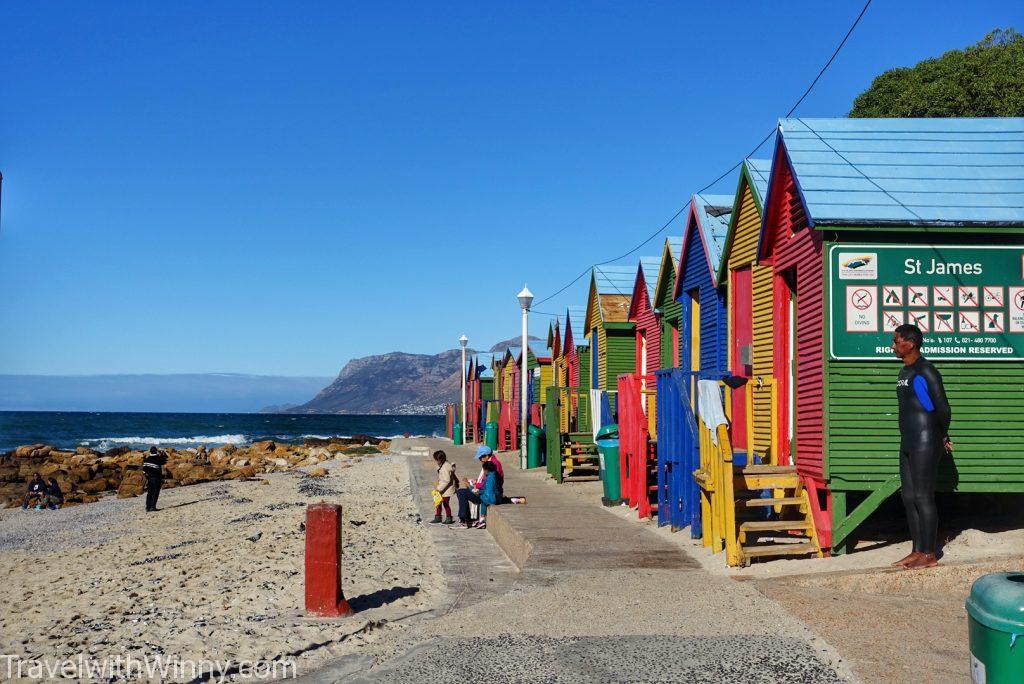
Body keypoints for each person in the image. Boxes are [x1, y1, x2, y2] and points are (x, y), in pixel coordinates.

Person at [890, 324, 952, 570]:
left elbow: (942, 408)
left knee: (924, 496)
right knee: (908, 497)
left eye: (896, 341)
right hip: (908, 441)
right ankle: (917, 550)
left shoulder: (926, 371)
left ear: (911, 343)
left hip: (926, 441)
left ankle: (929, 553)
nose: (893, 345)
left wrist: (942, 435)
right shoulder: (904, 373)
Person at [430, 450, 457, 524]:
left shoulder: (445, 467)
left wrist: (439, 489)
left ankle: (449, 518)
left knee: (445, 504)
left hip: (446, 490)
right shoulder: (443, 465)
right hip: (443, 488)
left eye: (437, 460)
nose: (436, 461)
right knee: (438, 503)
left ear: (440, 459)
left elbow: (447, 480)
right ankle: (438, 516)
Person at [143, 446, 168, 512]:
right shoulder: (158, 458)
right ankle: (152, 507)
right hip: (156, 478)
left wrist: (147, 476)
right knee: (155, 492)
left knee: (149, 493)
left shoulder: (147, 459)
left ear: (150, 452)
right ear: (156, 451)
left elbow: (144, 470)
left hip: (149, 478)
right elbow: (165, 461)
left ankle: (148, 507)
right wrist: (162, 454)